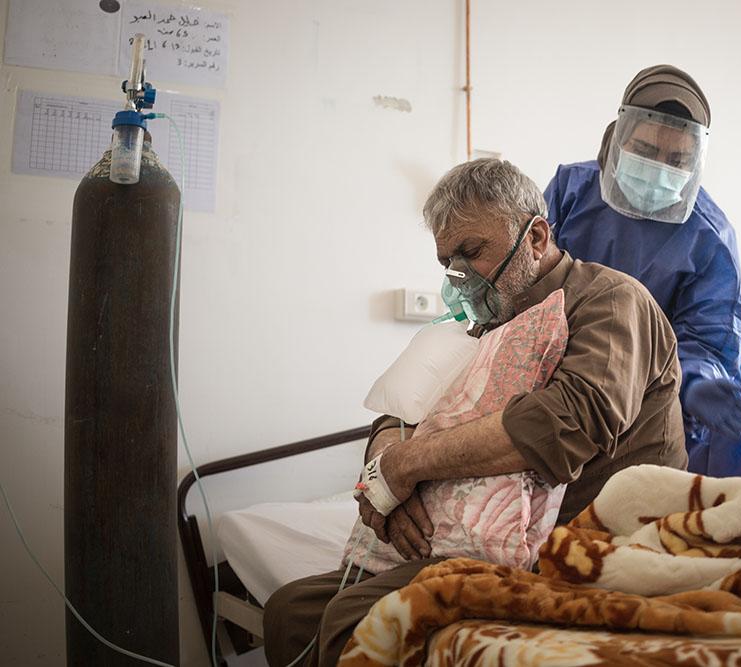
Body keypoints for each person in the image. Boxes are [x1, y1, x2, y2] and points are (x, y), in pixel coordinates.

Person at [263, 158, 687, 666]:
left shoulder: (611, 301)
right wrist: (385, 474)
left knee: (356, 616)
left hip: (579, 538)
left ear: (535, 237)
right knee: (289, 611)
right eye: (448, 261)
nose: (459, 275)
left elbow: (566, 422)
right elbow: (401, 413)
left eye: (472, 252)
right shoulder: (487, 324)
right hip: (463, 538)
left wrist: (407, 466)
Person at [544, 64, 741, 478]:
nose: (659, 168)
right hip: (568, 375)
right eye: (644, 152)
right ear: (617, 138)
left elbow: (710, 333)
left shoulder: (708, 235)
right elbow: (531, 276)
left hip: (663, 394)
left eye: (677, 159)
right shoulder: (570, 191)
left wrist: (698, 379)